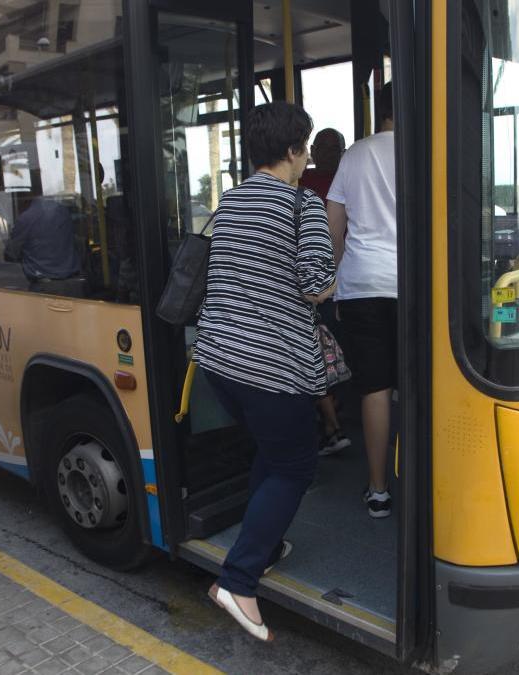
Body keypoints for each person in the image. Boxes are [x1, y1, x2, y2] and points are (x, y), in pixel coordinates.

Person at [194, 101, 336, 641]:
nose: (305, 160)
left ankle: (265, 543)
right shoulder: (303, 208)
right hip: (272, 367)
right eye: (304, 149)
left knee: (271, 456)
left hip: (218, 361)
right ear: (295, 151)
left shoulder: (228, 202)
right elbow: (317, 286)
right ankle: (237, 580)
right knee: (296, 467)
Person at [326, 82, 397, 519]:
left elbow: (334, 224)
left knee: (375, 388)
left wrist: (336, 276)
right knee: (419, 386)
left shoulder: (354, 155)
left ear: (380, 110)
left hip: (362, 285)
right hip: (415, 286)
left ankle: (378, 490)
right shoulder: (427, 149)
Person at [298, 128, 350, 456]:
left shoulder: (348, 179)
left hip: (341, 281)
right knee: (320, 354)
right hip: (317, 285)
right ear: (312, 150)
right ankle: (332, 424)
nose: (330, 152)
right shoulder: (300, 186)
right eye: (323, 146)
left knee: (331, 355)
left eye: (336, 146)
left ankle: (332, 424)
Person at [4, 196, 84, 295]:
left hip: (46, 288)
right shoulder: (63, 211)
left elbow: (11, 254)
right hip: (75, 283)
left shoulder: (26, 218)